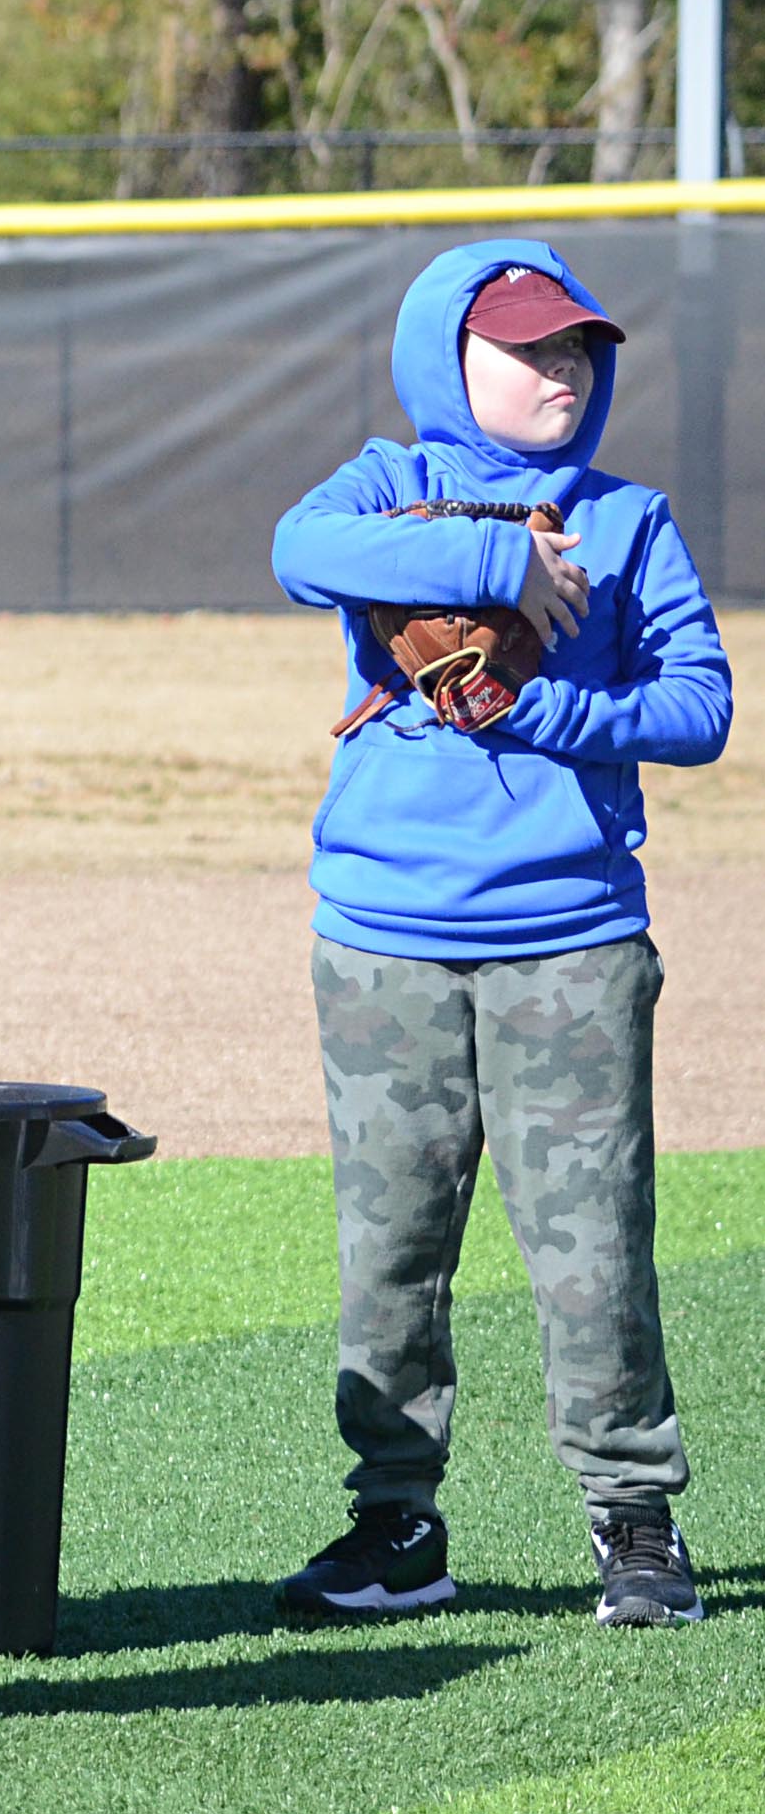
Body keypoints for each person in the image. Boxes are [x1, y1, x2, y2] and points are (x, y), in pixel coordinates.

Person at [268, 240, 732, 1628]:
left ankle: (634, 1521)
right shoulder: (387, 488)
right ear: (444, 358)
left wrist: (541, 712)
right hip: (382, 937)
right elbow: (301, 550)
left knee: (591, 1242)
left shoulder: (631, 517)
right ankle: (397, 1523)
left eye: (577, 348)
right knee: (391, 1248)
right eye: (528, 347)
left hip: (571, 938)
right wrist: (491, 555)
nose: (560, 371)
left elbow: (699, 708)